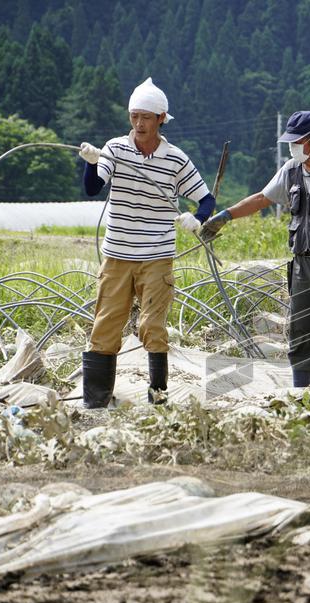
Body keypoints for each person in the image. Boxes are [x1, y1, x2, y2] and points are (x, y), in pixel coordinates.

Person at [198, 110, 310, 388]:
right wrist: (226, 216)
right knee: (302, 330)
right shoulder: (290, 171)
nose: (292, 147)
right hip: (302, 264)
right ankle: (303, 393)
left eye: (297, 142)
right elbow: (262, 198)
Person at [77, 77, 215, 407]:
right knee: (105, 325)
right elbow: (93, 188)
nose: (139, 124)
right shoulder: (115, 149)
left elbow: (206, 199)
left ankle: (158, 396)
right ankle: (95, 401)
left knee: (152, 326)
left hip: (157, 255)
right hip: (117, 255)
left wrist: (197, 218)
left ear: (161, 119)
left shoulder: (175, 159)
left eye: (146, 118)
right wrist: (91, 163)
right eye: (134, 116)